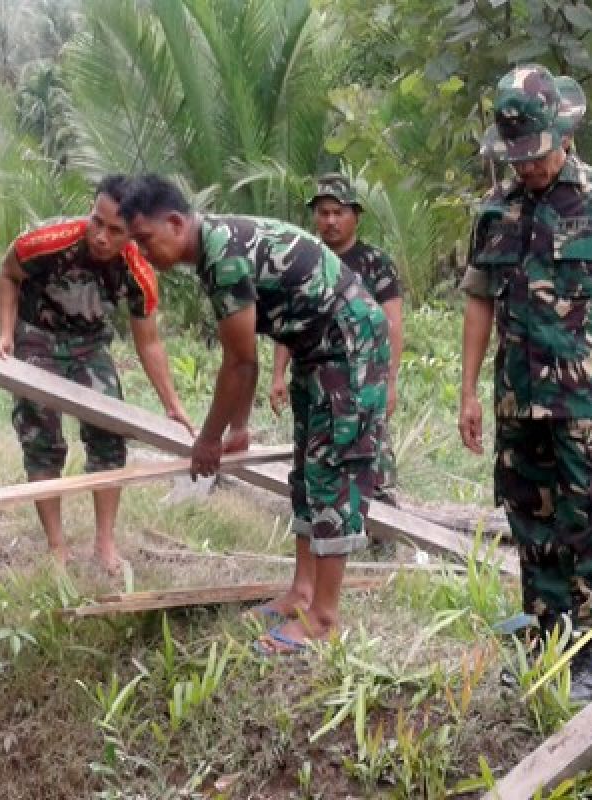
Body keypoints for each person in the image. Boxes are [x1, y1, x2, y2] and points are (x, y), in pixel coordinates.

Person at [459, 65, 592, 703]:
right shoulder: (496, 212)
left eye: (536, 155)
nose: (528, 168)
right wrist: (467, 390)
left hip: (588, 401)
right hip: (519, 399)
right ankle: (548, 638)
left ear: (564, 135)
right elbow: (479, 303)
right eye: (517, 158)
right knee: (531, 521)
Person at [119, 175, 389, 654]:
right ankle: (302, 593)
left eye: (144, 239)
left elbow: (241, 364)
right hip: (317, 347)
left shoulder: (222, 255)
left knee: (333, 471)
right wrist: (239, 427)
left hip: (349, 343)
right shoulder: (214, 249)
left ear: (177, 223)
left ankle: (324, 620)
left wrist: (209, 439)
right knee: (307, 470)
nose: (142, 252)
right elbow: (246, 354)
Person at [0, 175, 193, 574]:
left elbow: (149, 342)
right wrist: (5, 334)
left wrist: (172, 404)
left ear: (133, 232)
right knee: (41, 437)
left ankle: (105, 543)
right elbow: (7, 276)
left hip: (88, 345)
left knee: (108, 434)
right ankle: (56, 548)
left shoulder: (138, 271)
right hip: (37, 336)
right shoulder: (48, 241)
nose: (101, 236)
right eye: (96, 222)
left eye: (115, 230)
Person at [270, 174, 403, 506]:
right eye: (323, 212)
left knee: (372, 456)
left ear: (355, 216)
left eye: (338, 212)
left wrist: (389, 382)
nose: (329, 221)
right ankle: (316, 523)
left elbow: (393, 325)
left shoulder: (375, 264)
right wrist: (277, 376)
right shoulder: (301, 260)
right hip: (310, 377)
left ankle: (381, 532)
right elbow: (288, 322)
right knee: (311, 457)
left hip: (363, 379)